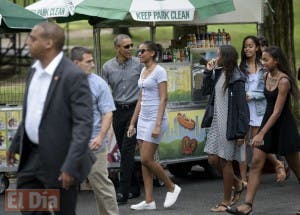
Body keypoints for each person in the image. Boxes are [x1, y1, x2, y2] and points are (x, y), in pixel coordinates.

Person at [7, 22, 94, 215]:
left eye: (33, 38)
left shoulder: (73, 76)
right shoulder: (34, 71)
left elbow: (83, 125)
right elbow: (32, 113)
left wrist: (70, 165)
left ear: (49, 43)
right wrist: (15, 144)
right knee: (30, 208)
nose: (27, 42)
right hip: (32, 157)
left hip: (61, 161)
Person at [228, 46, 300, 215]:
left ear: (276, 61)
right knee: (256, 164)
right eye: (263, 59)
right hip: (267, 124)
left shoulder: (284, 81)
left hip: (284, 128)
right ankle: (247, 205)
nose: (263, 63)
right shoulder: (267, 76)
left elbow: (277, 112)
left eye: (266, 60)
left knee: (297, 170)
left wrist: (261, 133)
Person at [128, 41, 181, 210]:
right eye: (138, 51)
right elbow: (141, 98)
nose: (139, 53)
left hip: (155, 119)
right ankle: (149, 200)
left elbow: (164, 98)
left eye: (143, 51)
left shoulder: (160, 71)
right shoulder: (144, 70)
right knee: (144, 162)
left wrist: (157, 124)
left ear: (152, 53)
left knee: (146, 158)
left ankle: (171, 187)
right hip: (143, 118)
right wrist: (132, 122)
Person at [71, 47, 119, 215]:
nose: (92, 64)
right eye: (88, 61)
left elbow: (107, 113)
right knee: (62, 188)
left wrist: (100, 137)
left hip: (93, 144)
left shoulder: (99, 84)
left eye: (93, 60)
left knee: (100, 185)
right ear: (76, 63)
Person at [201, 45, 249, 212]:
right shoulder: (220, 73)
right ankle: (237, 182)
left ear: (226, 57)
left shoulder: (237, 78)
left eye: (218, 54)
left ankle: (226, 201)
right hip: (217, 122)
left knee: (225, 161)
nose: (216, 56)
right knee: (212, 160)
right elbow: (205, 91)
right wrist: (208, 71)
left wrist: (241, 132)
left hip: (230, 124)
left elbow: (242, 108)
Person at [238, 35, 287, 186]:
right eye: (245, 46)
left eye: (251, 46)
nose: (247, 49)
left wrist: (250, 95)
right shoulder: (241, 67)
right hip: (244, 110)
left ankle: (277, 163)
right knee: (242, 144)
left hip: (258, 109)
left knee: (256, 143)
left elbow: (266, 91)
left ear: (257, 48)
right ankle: (243, 179)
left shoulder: (263, 67)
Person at [102, 34, 143, 205]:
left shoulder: (139, 65)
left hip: (135, 110)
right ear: (117, 48)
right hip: (118, 111)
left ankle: (123, 192)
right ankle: (135, 187)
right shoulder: (107, 67)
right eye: (126, 46)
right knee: (124, 150)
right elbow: (104, 91)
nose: (130, 49)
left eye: (131, 45)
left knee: (127, 149)